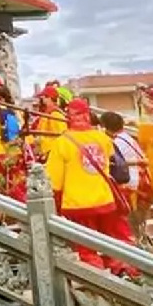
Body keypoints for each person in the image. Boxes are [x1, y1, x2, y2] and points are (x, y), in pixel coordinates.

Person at [44, 98, 134, 271]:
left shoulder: (62, 143)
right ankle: (121, 277)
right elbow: (108, 160)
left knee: (86, 251)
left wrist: (55, 205)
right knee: (113, 246)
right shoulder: (102, 138)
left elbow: (54, 183)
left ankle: (97, 285)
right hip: (105, 200)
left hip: (78, 205)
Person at [102, 110, 151, 241]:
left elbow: (118, 163)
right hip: (141, 181)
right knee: (137, 219)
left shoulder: (115, 142)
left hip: (130, 183)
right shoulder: (128, 137)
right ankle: (141, 240)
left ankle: (136, 244)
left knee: (130, 218)